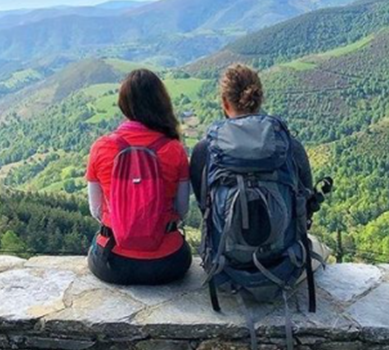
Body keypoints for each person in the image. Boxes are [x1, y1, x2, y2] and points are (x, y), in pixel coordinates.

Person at [190, 63, 329, 290]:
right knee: (321, 247)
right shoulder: (288, 146)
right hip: (284, 265)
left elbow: (204, 207)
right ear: (259, 98)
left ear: (225, 103)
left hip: (224, 268)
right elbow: (305, 207)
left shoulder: (204, 150)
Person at [86, 69, 192, 285]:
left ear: (124, 104)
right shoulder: (174, 149)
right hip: (168, 262)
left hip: (113, 262)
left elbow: (95, 210)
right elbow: (182, 210)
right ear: (161, 102)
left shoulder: (102, 147)